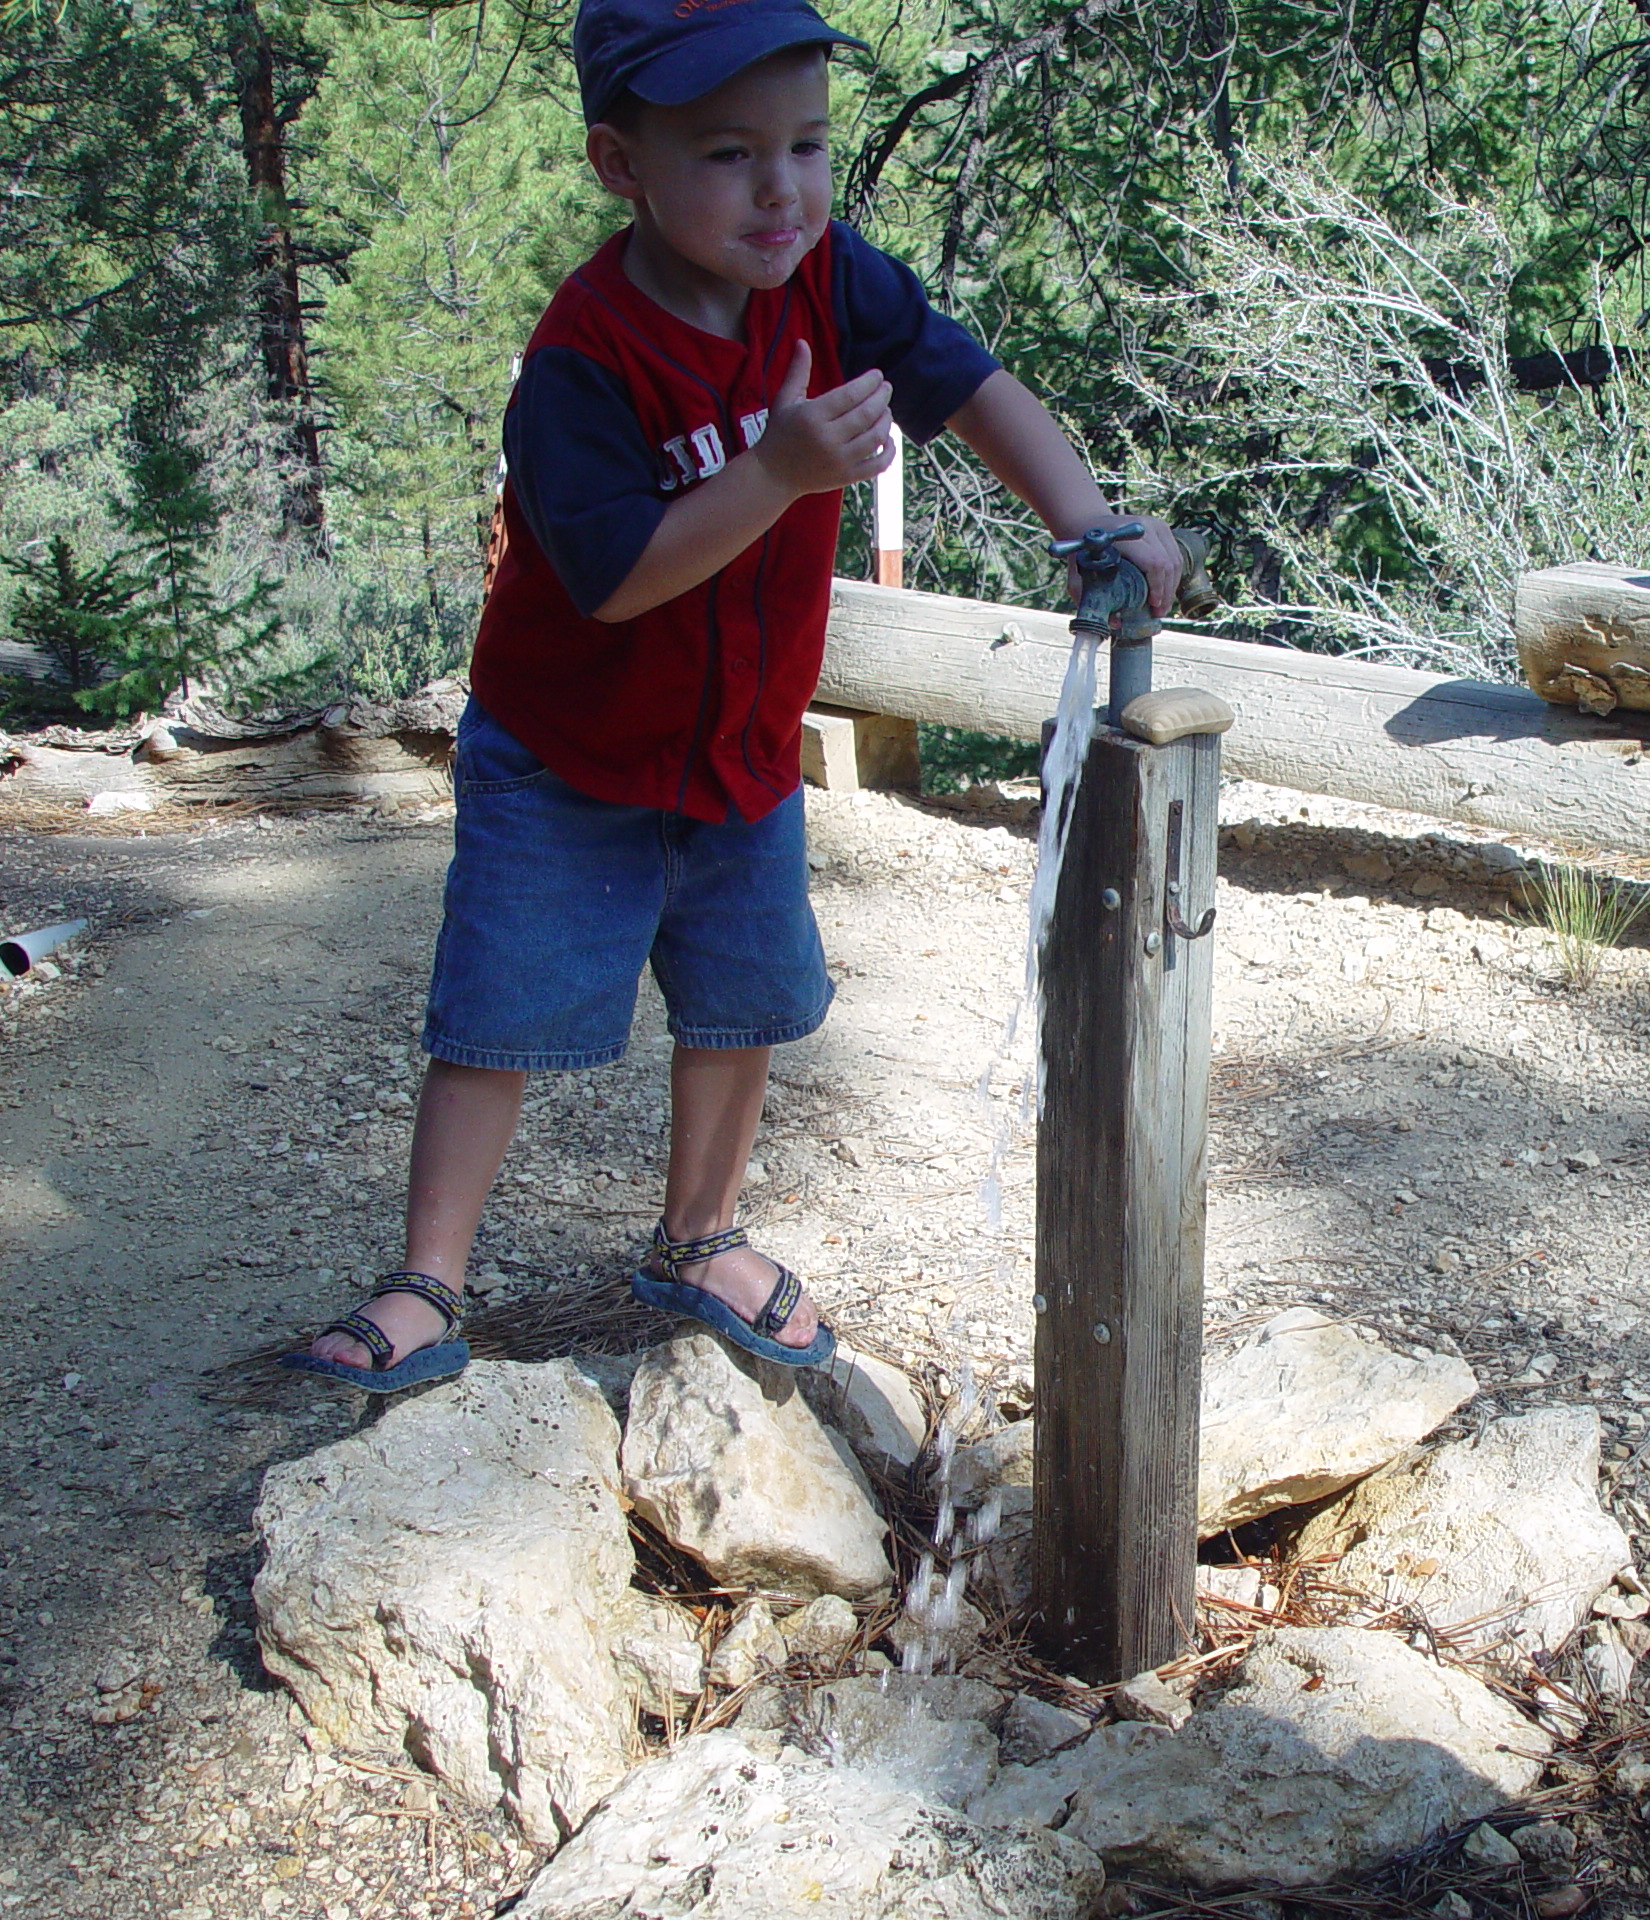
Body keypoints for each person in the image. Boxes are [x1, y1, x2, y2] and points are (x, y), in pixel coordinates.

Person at [286, 0, 1181, 1390]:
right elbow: (620, 578)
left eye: (808, 144)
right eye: (725, 152)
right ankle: (427, 1278)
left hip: (740, 751)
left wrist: (1088, 523)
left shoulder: (832, 280)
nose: (782, 188)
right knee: (498, 1013)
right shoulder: (583, 361)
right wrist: (772, 474)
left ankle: (698, 1238)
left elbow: (970, 382)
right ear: (617, 162)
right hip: (567, 756)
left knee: (742, 1001)